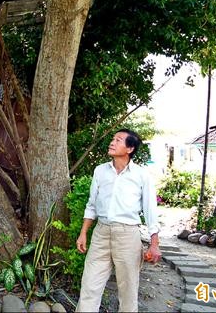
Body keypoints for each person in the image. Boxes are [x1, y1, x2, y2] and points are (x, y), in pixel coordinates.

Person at [75, 129, 161, 312]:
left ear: (129, 148)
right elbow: (92, 205)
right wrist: (83, 233)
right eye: (113, 139)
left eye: (118, 140)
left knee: (128, 290)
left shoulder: (141, 175)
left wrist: (154, 243)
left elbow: (150, 210)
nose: (112, 142)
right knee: (90, 284)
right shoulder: (100, 171)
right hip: (101, 232)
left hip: (127, 234)